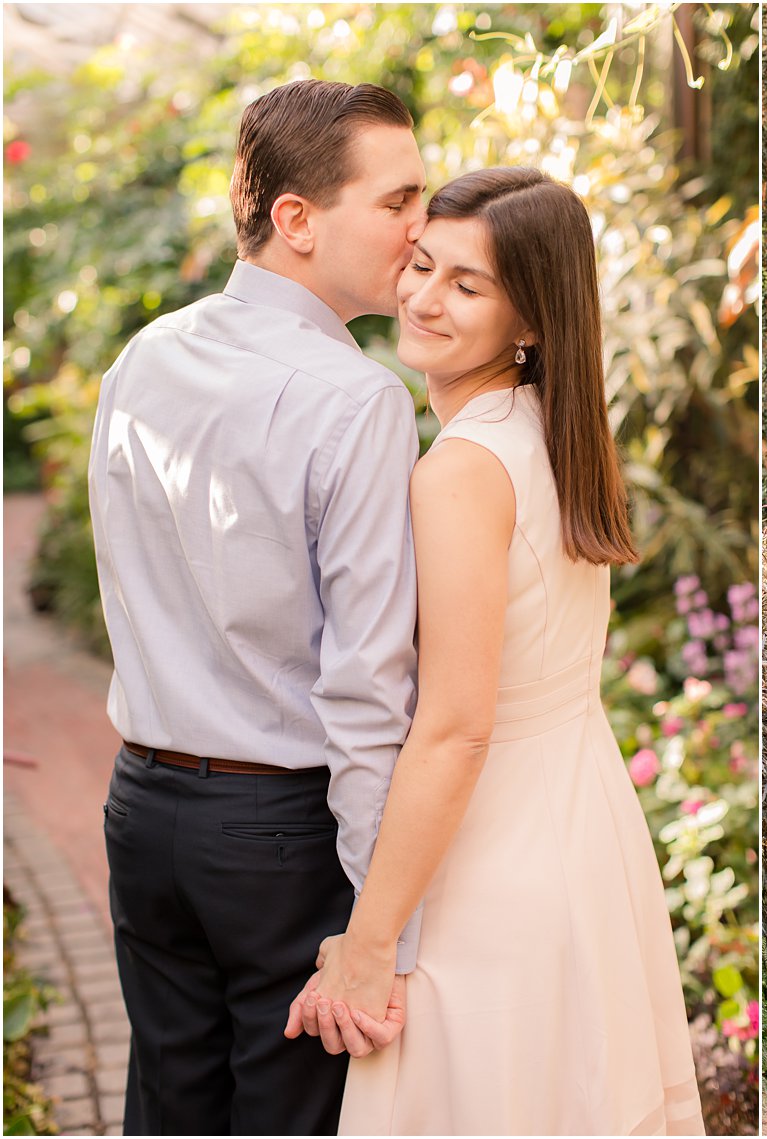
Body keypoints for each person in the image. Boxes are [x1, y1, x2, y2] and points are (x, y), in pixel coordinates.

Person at [284, 167, 705, 1136]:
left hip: (489, 865)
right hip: (581, 826)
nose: (423, 297)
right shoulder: (550, 437)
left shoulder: (459, 470)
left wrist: (369, 940)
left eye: (466, 285)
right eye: (421, 264)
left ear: (528, 322)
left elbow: (454, 729)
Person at [88, 79, 426, 1134]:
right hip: (279, 837)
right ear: (296, 219)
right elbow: (368, 688)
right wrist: (383, 933)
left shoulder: (146, 354)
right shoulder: (359, 398)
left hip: (142, 811)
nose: (421, 231)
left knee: (169, 1103)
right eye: (397, 200)